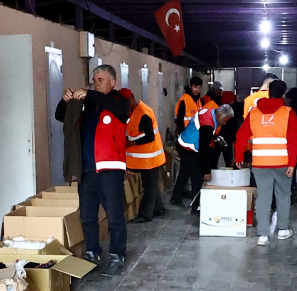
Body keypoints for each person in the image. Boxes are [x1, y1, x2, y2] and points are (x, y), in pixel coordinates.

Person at [61, 64, 131, 266]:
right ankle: (92, 251)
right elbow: (61, 116)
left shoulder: (119, 100)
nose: (96, 83)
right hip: (87, 169)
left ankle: (118, 253)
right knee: (88, 215)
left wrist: (91, 94)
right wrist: (65, 101)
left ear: (112, 82)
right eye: (94, 80)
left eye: (100, 80)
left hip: (110, 169)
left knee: (114, 214)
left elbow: (122, 112)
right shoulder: (89, 104)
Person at [237, 78, 297, 247]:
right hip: (282, 163)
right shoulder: (288, 112)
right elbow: (293, 140)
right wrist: (292, 162)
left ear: (268, 92)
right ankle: (283, 229)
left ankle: (262, 234)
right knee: (283, 195)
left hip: (260, 163)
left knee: (263, 197)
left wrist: (239, 156)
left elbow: (241, 136)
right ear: (283, 94)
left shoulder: (254, 113)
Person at [124, 87, 167, 222]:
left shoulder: (143, 113)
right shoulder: (132, 111)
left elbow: (149, 137)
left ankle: (146, 214)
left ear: (131, 99)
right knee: (152, 184)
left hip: (150, 157)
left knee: (149, 186)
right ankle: (158, 209)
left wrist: (132, 144)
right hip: (143, 158)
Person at [169, 76, 210, 206]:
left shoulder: (200, 102)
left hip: (194, 141)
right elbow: (180, 122)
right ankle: (190, 199)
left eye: (198, 87)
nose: (196, 89)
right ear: (190, 86)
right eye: (194, 87)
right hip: (186, 142)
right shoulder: (184, 101)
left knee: (185, 170)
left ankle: (177, 197)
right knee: (192, 170)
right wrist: (182, 139)